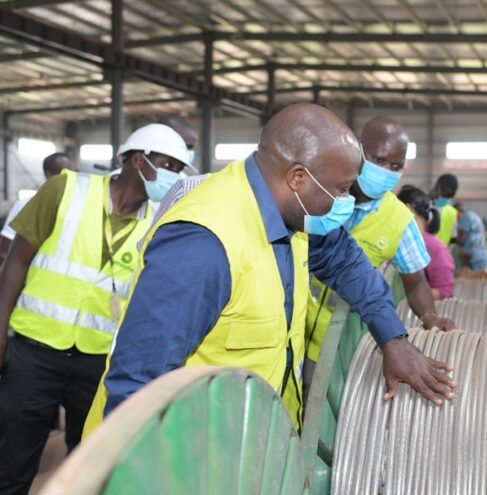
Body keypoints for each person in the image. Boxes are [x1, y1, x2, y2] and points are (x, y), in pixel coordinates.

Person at [83, 104, 457, 439]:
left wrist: (393, 338)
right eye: (340, 190)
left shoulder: (294, 215)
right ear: (298, 178)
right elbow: (139, 384)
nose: (345, 201)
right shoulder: (203, 244)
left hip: (250, 442)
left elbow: (345, 260)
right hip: (190, 458)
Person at [0, 123, 192, 495]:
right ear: (138, 160)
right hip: (33, 356)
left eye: (178, 168)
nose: (173, 176)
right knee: (12, 469)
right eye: (167, 165)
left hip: (100, 364)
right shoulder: (66, 189)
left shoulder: (159, 220)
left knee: (93, 467)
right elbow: (16, 261)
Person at [305, 116, 455, 373]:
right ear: (358, 150)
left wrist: (429, 316)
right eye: (379, 160)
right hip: (289, 327)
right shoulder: (320, 192)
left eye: (395, 165)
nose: (386, 170)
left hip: (338, 344)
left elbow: (416, 281)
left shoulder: (399, 220)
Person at [0, 152, 76, 265]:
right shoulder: (26, 204)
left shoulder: (78, 208)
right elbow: (5, 251)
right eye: (65, 173)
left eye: (76, 173)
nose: (73, 177)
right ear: (48, 174)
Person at [397, 186, 454, 300]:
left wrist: (403, 295)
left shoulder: (434, 246)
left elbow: (444, 292)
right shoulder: (398, 241)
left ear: (408, 209)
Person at [455, 202, 487, 272]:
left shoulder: (465, 217)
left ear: (458, 211)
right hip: (481, 256)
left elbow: (462, 239)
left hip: (473, 257)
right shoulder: (473, 216)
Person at [431, 173, 459, 246]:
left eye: (449, 195)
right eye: (444, 193)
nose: (445, 197)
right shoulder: (425, 206)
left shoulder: (452, 212)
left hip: (441, 254)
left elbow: (453, 238)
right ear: (437, 187)